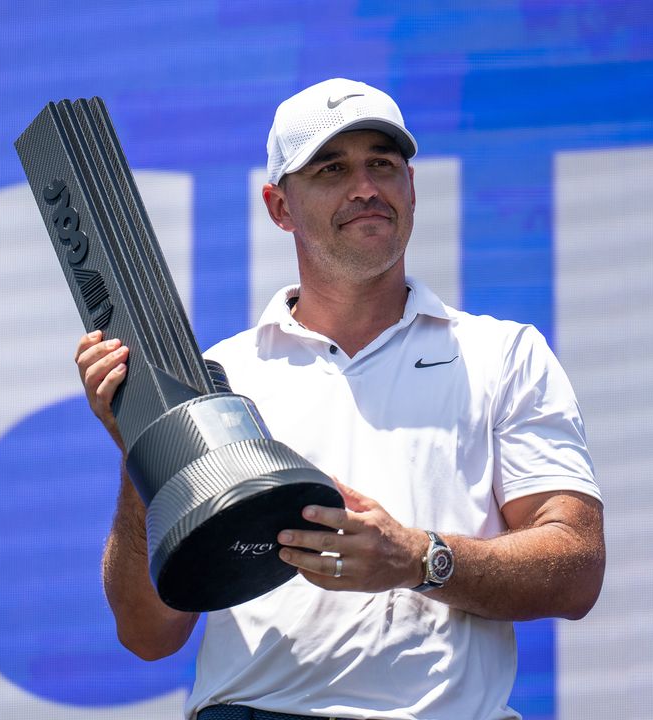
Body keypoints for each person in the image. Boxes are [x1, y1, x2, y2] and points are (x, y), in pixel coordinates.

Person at [74, 78, 605, 720]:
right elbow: (148, 634)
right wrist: (145, 448)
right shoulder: (219, 377)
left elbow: (575, 567)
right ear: (279, 207)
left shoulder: (505, 354)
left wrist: (417, 558)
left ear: (412, 187)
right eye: (332, 169)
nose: (365, 188)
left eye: (382, 163)